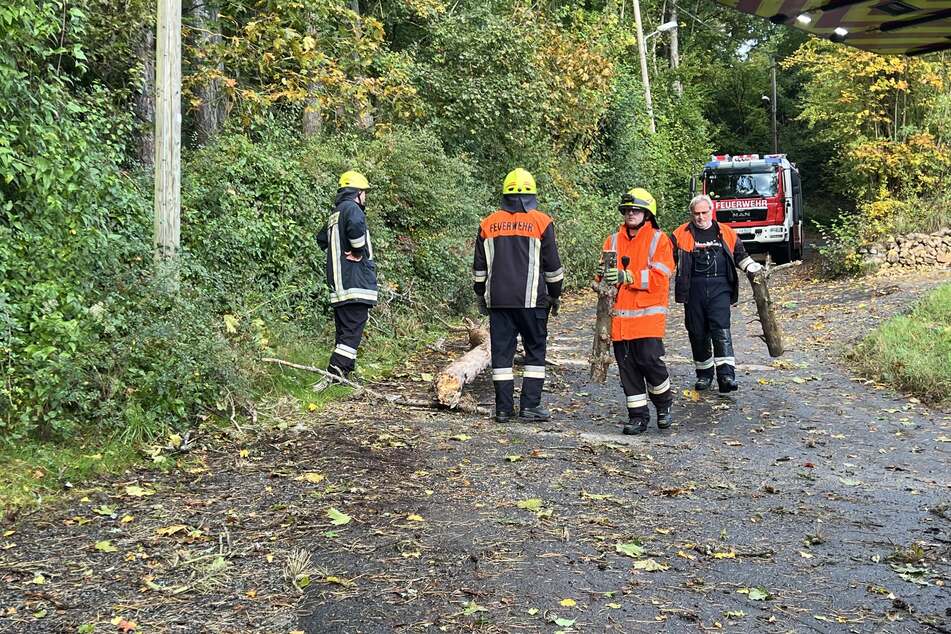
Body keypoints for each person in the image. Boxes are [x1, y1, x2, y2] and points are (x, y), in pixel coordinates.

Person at [473, 168, 564, 423]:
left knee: (502, 354)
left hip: (498, 301)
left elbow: (479, 269)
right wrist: (555, 295)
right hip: (532, 302)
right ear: (532, 195)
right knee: (535, 351)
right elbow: (553, 268)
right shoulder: (542, 222)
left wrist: (481, 295)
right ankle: (530, 406)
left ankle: (503, 409)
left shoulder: (488, 223)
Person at [599, 188, 675, 435]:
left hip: (647, 319)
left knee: (650, 363)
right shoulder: (611, 240)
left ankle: (663, 406)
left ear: (647, 213)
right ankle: (638, 417)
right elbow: (601, 277)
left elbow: (660, 277)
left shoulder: (659, 239)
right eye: (627, 210)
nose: (630, 214)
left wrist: (628, 276)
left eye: (636, 210)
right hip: (619, 321)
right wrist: (602, 279)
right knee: (628, 370)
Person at [671, 194, 762, 393]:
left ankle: (726, 376)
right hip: (693, 289)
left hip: (720, 287)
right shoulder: (680, 234)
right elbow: (666, 261)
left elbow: (741, 255)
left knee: (721, 329)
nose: (700, 217)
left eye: (704, 213)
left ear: (711, 212)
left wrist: (753, 268)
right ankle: (704, 375)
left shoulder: (726, 232)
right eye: (696, 214)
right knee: (697, 332)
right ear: (691, 214)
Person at [316, 170, 378, 380]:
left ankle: (344, 375)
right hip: (355, 284)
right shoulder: (353, 209)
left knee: (344, 333)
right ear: (357, 193)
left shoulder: (335, 214)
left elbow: (322, 240)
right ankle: (333, 376)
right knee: (351, 333)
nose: (365, 197)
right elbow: (356, 229)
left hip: (339, 286)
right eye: (364, 192)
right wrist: (358, 252)